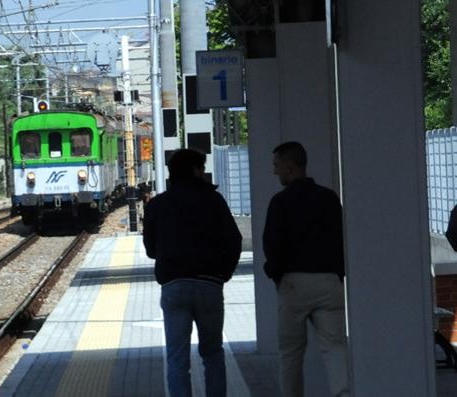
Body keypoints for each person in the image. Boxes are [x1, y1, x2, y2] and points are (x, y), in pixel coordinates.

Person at [143, 149, 242, 397]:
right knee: (213, 353)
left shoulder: (158, 204)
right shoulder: (214, 201)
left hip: (174, 286)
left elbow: (150, 249)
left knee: (177, 358)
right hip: (209, 285)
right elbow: (234, 240)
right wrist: (223, 274)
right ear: (196, 170)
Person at [263, 141, 350, 397]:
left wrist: (276, 274)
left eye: (277, 166)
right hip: (328, 282)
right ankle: (342, 393)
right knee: (334, 347)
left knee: (291, 353)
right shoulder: (330, 198)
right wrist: (338, 274)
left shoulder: (280, 202)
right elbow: (340, 239)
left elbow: (272, 244)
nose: (275, 172)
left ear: (290, 167)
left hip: (294, 283)